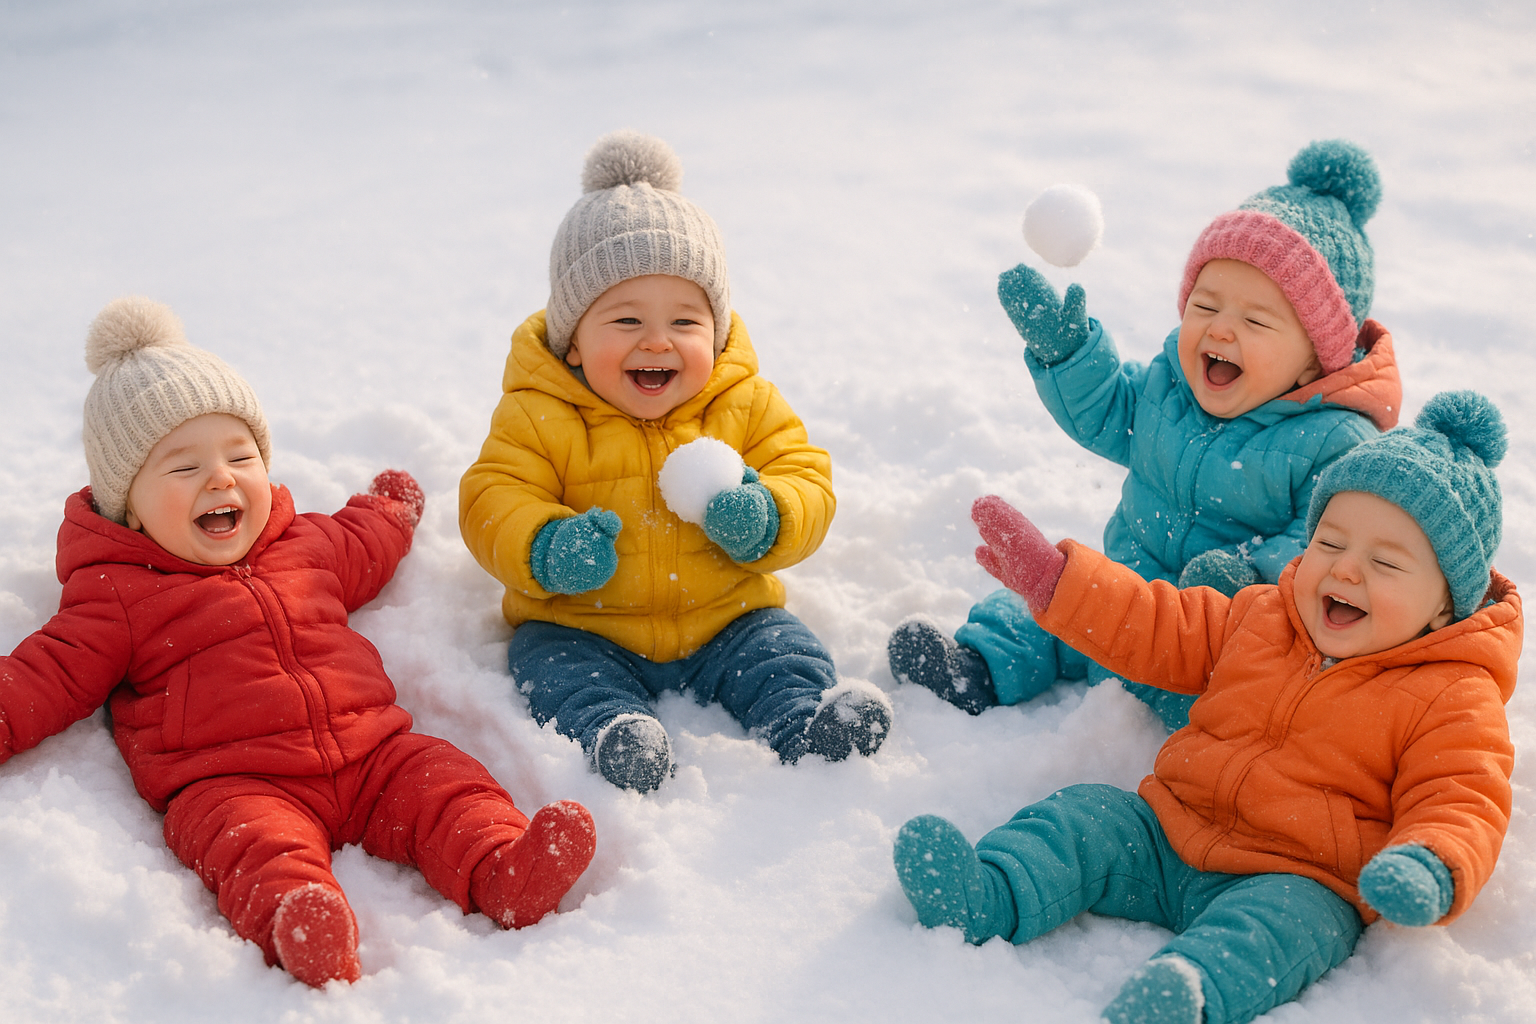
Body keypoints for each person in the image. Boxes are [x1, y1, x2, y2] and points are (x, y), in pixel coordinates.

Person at [0, 297, 596, 988]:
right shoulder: (119, 595)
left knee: (444, 784)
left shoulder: (302, 544)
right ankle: (300, 924)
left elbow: (363, 543)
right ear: (129, 505)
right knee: (254, 848)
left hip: (373, 753)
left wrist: (389, 510)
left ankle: (502, 867)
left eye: (240, 455)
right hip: (236, 780)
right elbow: (45, 676)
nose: (221, 478)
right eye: (184, 468)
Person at [893, 391, 1519, 1024]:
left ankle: (1186, 995)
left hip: (1294, 878)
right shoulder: (1262, 616)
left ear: (1446, 605)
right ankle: (987, 890)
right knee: (1083, 818)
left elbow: (1462, 797)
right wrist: (1061, 584)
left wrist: (1431, 863)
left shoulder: (1454, 695)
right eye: (1329, 543)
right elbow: (1154, 624)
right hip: (1167, 828)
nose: (1346, 570)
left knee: (1275, 934)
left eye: (1384, 562)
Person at [890, 139, 1401, 730]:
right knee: (1048, 604)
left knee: (1220, 694)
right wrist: (1069, 355)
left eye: (1255, 320)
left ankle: (1200, 746)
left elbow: (1322, 546)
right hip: (1122, 591)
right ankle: (976, 663)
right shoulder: (1171, 386)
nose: (1220, 330)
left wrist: (1251, 577)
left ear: (1317, 360)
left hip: (1206, 634)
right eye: (1205, 307)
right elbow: (1111, 410)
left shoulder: (1335, 443)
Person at [459, 131, 890, 793]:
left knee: (782, 649)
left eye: (686, 323)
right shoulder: (538, 413)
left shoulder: (744, 402)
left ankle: (807, 724)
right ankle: (616, 735)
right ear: (573, 343)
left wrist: (770, 516)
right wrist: (546, 546)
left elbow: (806, 475)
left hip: (727, 617)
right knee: (553, 667)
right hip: (585, 625)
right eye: (626, 322)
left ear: (715, 336)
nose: (658, 340)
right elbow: (493, 497)